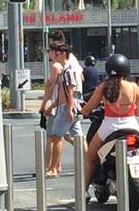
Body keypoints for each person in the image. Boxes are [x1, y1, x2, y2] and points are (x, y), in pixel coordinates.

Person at [81, 53, 139, 198]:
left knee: (90, 156)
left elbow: (89, 107)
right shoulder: (133, 86)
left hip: (109, 126)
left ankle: (83, 191)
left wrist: (83, 112)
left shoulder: (104, 87)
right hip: (131, 125)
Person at [46, 44, 85, 177]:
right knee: (79, 137)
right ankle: (89, 162)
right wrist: (52, 107)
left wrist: (68, 109)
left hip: (67, 108)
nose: (55, 57)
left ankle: (53, 168)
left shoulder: (68, 71)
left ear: (63, 54)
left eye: (57, 54)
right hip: (69, 107)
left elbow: (70, 91)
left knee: (57, 137)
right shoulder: (66, 70)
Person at [40, 43, 63, 174]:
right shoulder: (61, 66)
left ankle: (49, 167)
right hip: (58, 103)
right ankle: (56, 166)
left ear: (55, 52)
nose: (48, 53)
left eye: (49, 51)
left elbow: (50, 88)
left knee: (51, 137)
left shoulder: (55, 66)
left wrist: (44, 106)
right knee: (58, 137)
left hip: (54, 104)